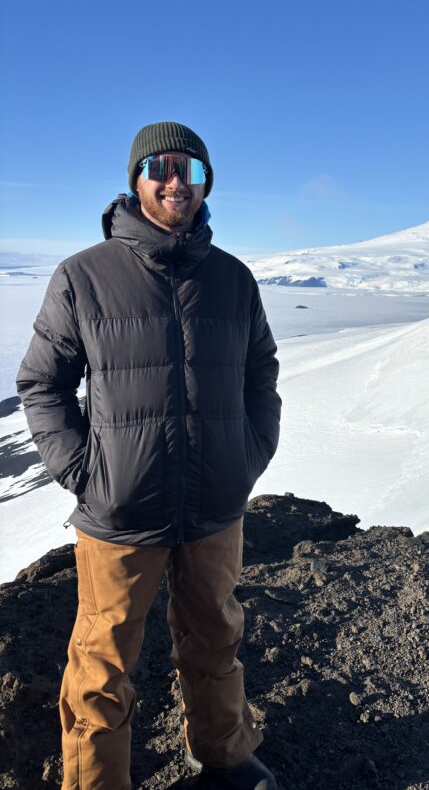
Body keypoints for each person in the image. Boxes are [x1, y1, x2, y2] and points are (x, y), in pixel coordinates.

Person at [16, 122, 281, 790]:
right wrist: (87, 474)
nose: (175, 181)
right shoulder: (84, 276)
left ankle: (222, 754)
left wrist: (248, 455)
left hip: (215, 506)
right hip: (120, 514)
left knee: (216, 638)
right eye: (161, 167)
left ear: (205, 184)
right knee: (101, 664)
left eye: (190, 171)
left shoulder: (233, 279)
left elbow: (261, 372)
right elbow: (41, 383)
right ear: (135, 180)